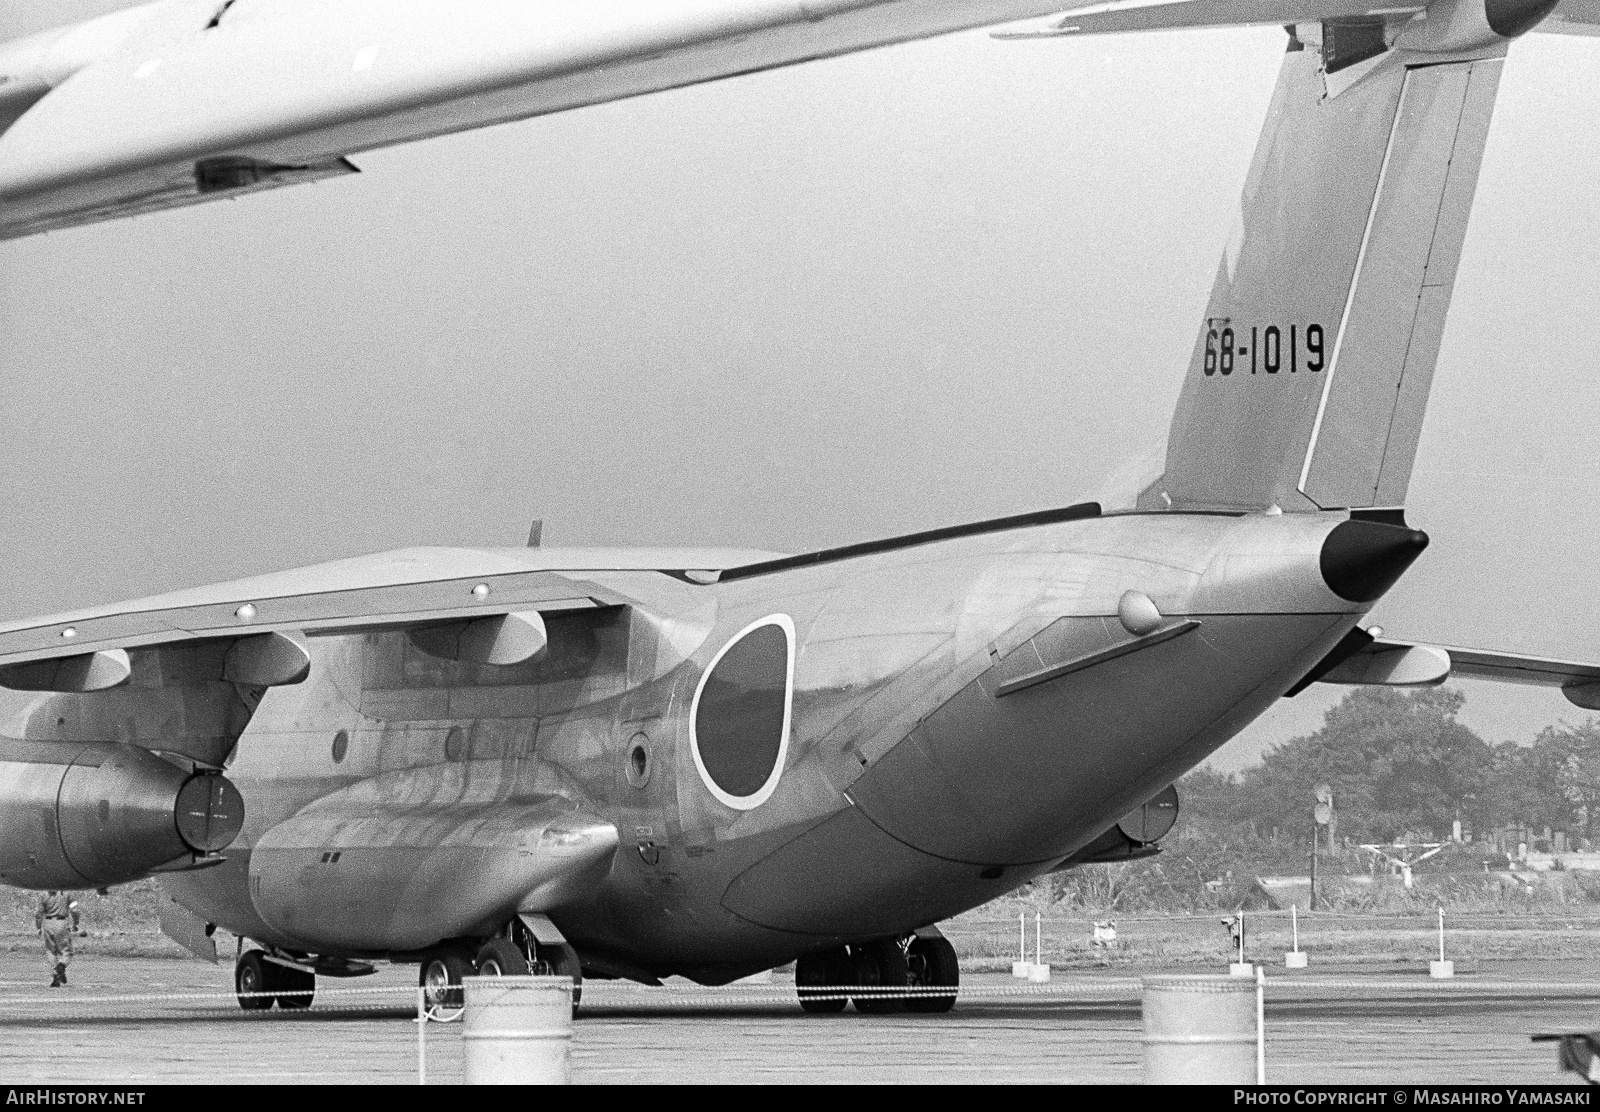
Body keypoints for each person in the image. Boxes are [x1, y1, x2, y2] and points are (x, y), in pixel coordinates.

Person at [34, 891, 80, 987]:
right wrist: (75, 923)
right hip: (61, 922)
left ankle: (56, 974)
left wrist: (38, 926)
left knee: (51, 951)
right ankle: (61, 966)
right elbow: (74, 910)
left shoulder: (43, 894)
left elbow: (39, 912)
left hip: (47, 922)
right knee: (67, 951)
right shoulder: (67, 893)